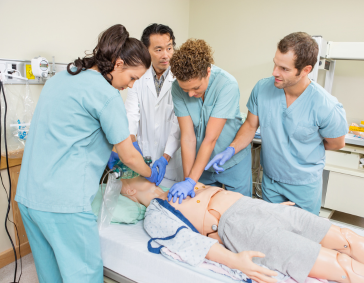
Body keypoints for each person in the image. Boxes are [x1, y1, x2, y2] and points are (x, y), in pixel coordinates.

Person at [15, 25, 160, 283]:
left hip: (29, 197)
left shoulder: (61, 78)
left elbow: (69, 132)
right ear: (118, 63)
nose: (130, 85)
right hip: (63, 204)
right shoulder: (105, 94)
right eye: (132, 78)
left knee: (52, 275)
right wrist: (150, 172)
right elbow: (129, 154)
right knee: (83, 276)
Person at [120, 176, 364, 283]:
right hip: (241, 228)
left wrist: (271, 208)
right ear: (129, 192)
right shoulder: (155, 214)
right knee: (342, 266)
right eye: (130, 176)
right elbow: (190, 243)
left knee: (346, 236)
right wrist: (235, 261)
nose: (142, 170)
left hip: (257, 207)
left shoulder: (175, 185)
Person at [207, 32, 348, 215]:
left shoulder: (325, 105)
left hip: (303, 185)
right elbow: (250, 126)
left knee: (302, 236)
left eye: (284, 69)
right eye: (275, 64)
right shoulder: (262, 89)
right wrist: (231, 149)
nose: (275, 72)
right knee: (271, 232)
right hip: (271, 181)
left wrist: (302, 150)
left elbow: (337, 143)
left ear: (305, 70)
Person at [167, 39, 252, 203]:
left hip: (232, 161)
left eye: (196, 88)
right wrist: (189, 180)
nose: (190, 94)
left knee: (240, 207)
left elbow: (210, 138)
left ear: (207, 72)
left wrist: (191, 181)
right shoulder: (177, 88)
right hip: (202, 163)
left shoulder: (227, 84)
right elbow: (188, 137)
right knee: (202, 205)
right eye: (186, 90)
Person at [109, 23, 183, 184]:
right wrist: (130, 144)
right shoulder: (138, 76)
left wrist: (165, 157)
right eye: (158, 50)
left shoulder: (181, 79)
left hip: (170, 164)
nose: (166, 55)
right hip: (142, 157)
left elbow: (179, 124)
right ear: (146, 51)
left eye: (169, 48)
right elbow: (131, 114)